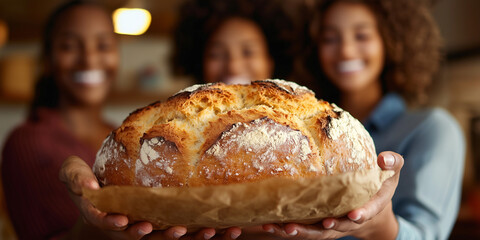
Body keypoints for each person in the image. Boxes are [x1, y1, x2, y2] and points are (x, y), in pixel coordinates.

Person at [258, 0, 464, 239]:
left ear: (391, 41)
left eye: (362, 35)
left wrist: (380, 226)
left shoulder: (432, 128)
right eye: (330, 38)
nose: (345, 50)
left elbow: (427, 234)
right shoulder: (298, 138)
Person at [1, 1, 119, 239]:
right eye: (69, 46)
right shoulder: (28, 142)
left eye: (103, 45)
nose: (89, 59)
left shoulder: (119, 133)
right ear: (48, 60)